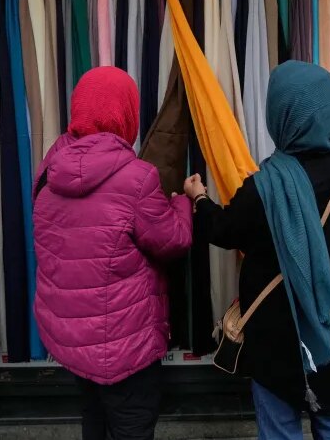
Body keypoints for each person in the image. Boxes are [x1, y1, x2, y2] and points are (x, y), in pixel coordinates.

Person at [184, 61, 330, 440]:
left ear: (279, 116)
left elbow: (221, 229)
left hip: (277, 338)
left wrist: (199, 197)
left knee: (279, 428)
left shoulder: (264, 188)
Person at [32, 66, 193, 440]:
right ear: (127, 114)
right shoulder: (137, 179)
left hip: (73, 339)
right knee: (132, 426)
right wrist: (182, 202)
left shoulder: (49, 169)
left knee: (94, 420)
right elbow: (173, 241)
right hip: (126, 347)